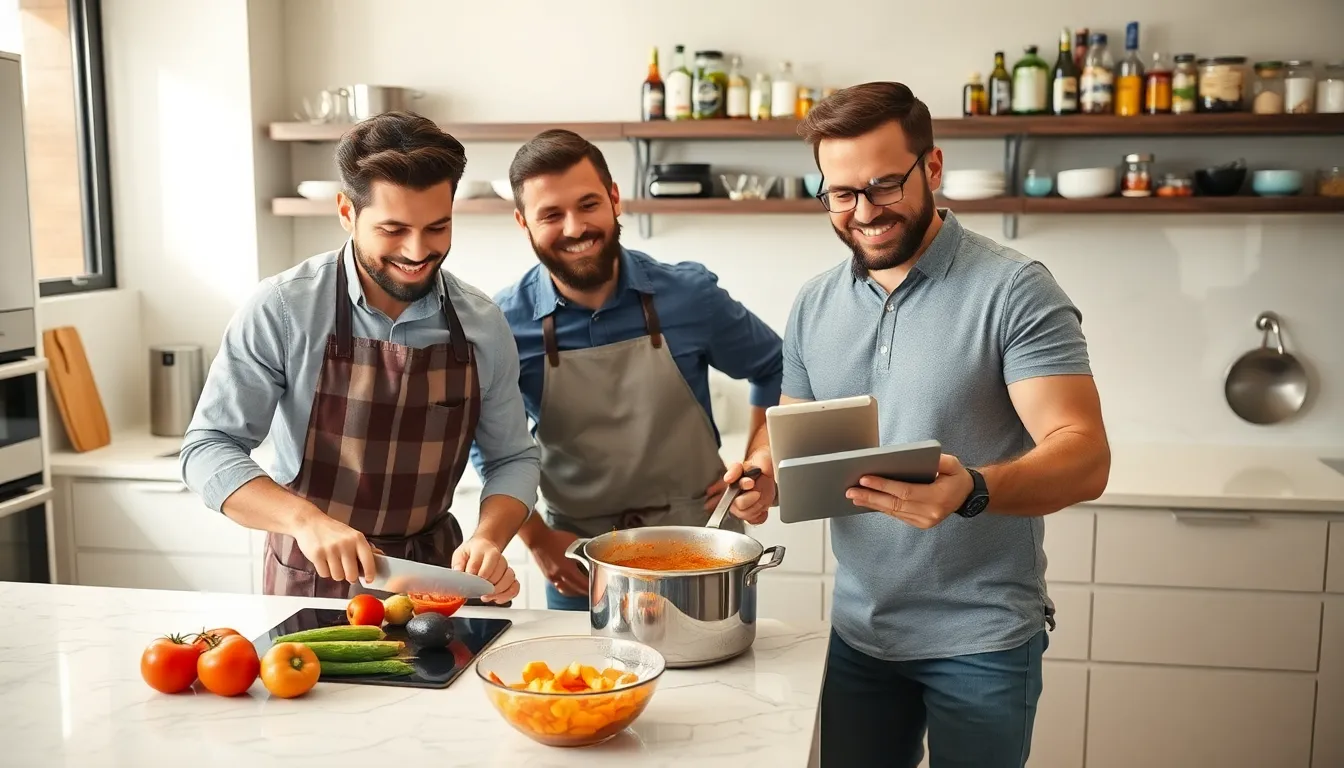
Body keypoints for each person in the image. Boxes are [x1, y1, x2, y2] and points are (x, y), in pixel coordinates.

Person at [746, 82, 1111, 767]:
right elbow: (791, 432)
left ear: (932, 169)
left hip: (982, 640)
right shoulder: (814, 303)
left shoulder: (1013, 289)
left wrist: (971, 487)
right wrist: (763, 475)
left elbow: (1085, 455)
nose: (864, 212)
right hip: (858, 634)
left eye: (885, 185)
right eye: (842, 193)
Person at [180, 112, 539, 603]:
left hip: (434, 578)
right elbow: (208, 447)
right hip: (310, 578)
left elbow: (513, 457)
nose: (417, 251)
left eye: (437, 227)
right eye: (393, 229)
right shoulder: (283, 309)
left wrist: (488, 539)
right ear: (347, 212)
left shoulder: (482, 324)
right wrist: (304, 521)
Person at [469, 129, 782, 610]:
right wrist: (535, 538)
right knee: (586, 684)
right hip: (579, 557)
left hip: (701, 544)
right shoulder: (502, 324)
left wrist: (757, 461)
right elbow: (488, 442)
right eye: (551, 214)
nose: (574, 228)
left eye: (588, 204)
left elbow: (778, 366)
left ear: (615, 199)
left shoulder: (689, 296)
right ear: (522, 222)